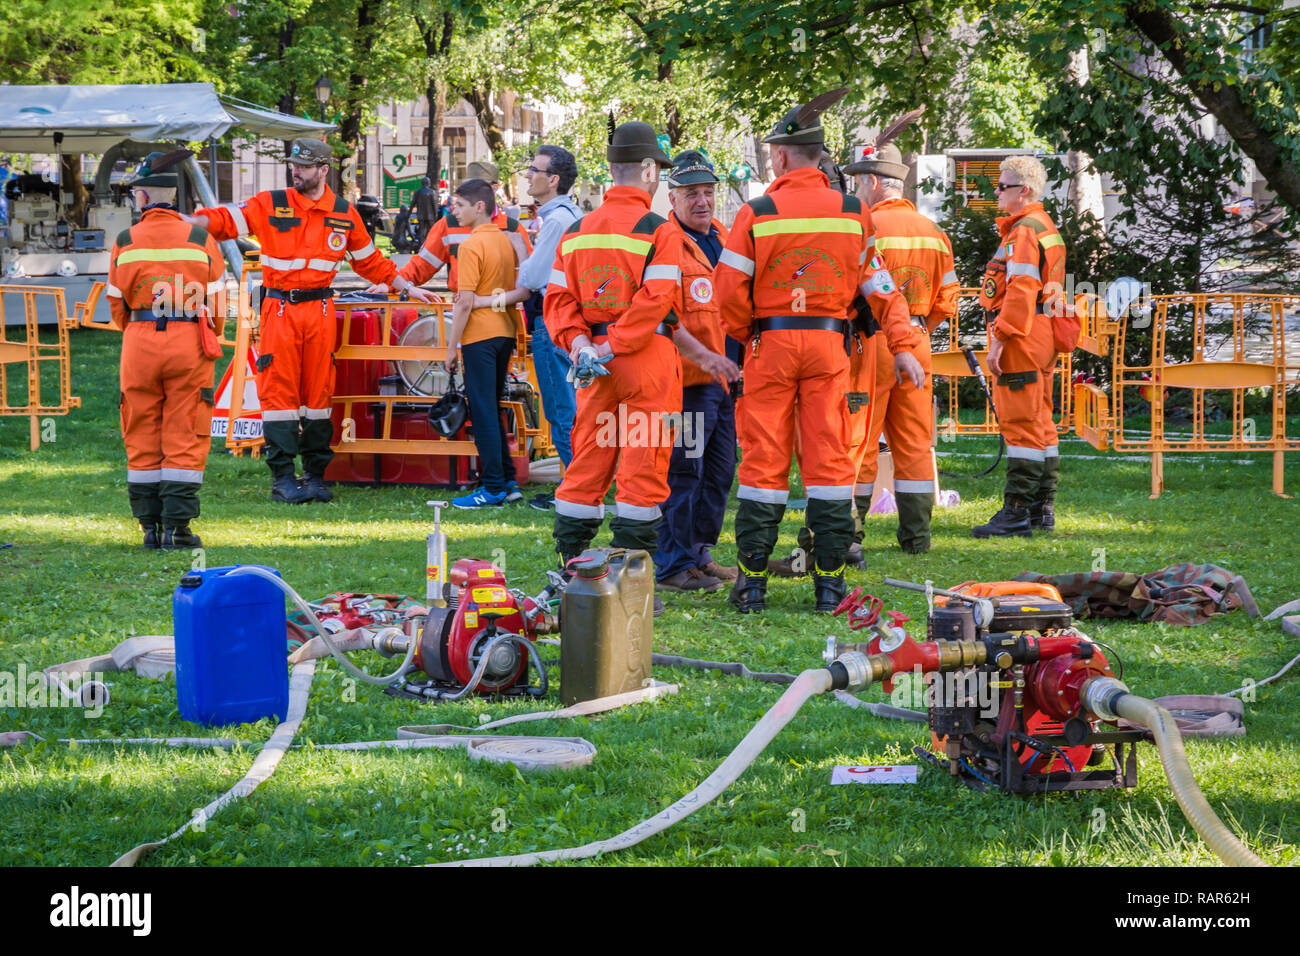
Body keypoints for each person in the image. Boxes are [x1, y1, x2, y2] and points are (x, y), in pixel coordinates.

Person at [714, 89, 923, 614]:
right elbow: (880, 287)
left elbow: (727, 292)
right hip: (832, 348)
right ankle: (829, 585)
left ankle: (753, 584)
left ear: (781, 155)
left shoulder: (756, 212)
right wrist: (902, 345)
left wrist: (751, 333)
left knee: (763, 461)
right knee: (830, 462)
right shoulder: (855, 212)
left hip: (772, 345)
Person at [544, 121, 736, 610]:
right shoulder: (659, 231)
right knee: (644, 470)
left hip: (592, 366)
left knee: (586, 464)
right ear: (649, 171)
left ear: (611, 170)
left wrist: (583, 345)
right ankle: (631, 581)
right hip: (646, 361)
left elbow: (557, 299)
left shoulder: (576, 228)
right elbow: (656, 302)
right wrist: (616, 345)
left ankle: (573, 573)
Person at [186, 138, 434, 504]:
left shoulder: (343, 212)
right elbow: (227, 220)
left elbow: (371, 263)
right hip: (279, 310)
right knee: (280, 394)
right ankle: (283, 478)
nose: (295, 171)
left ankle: (316, 476)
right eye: (293, 165)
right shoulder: (271, 203)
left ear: (323, 170)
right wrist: (193, 221)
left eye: (303, 166)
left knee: (318, 396)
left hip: (319, 312)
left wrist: (406, 286)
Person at [842, 139, 959, 554]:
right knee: (913, 442)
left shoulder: (866, 228)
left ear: (874, 182)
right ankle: (916, 537)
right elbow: (948, 298)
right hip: (919, 342)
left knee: (861, 437)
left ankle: (850, 533)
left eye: (859, 182)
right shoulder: (934, 233)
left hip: (872, 341)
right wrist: (919, 327)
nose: (857, 190)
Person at [106, 153, 226, 548]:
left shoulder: (125, 240)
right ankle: (179, 528)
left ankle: (149, 528)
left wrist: (138, 330)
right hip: (189, 338)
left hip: (139, 339)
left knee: (140, 425)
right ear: (172, 197)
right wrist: (209, 330)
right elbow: (220, 301)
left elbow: (115, 303)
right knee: (186, 427)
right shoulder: (201, 239)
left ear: (142, 196)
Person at [471, 145, 582, 511]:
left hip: (551, 321)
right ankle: (576, 483)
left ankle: (573, 489)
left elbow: (533, 277)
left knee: (559, 409)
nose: (528, 175)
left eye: (534, 170)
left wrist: (522, 253)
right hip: (563, 321)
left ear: (553, 180)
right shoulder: (568, 215)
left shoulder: (555, 221)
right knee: (567, 407)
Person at [654, 150, 738, 592]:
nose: (702, 201)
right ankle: (671, 563)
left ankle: (700, 552)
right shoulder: (666, 240)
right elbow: (661, 311)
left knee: (720, 471)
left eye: (708, 191)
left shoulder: (725, 238)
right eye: (692, 193)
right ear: (674, 197)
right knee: (683, 472)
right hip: (684, 381)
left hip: (723, 379)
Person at [973, 154, 1066, 537]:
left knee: (1020, 424)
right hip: (1042, 331)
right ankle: (1041, 509)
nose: (995, 192)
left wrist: (1000, 339)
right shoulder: (1044, 225)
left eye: (1002, 186)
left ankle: (1015, 514)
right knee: (1041, 421)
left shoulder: (1025, 230)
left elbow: (1021, 289)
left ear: (1022, 190)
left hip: (1023, 334)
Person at [443, 178, 523, 508]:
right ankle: (507, 480)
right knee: (493, 407)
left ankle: (492, 488)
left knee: (484, 411)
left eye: (459, 205)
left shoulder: (471, 245)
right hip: (505, 331)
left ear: (480, 207)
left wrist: (451, 348)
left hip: (479, 335)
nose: (453, 210)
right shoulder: (507, 242)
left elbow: (464, 302)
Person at [389, 160, 533, 296]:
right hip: (474, 305)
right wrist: (390, 284)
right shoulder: (448, 224)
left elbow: (530, 273)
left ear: (494, 189)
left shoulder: (512, 228)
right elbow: (422, 264)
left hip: (500, 307)